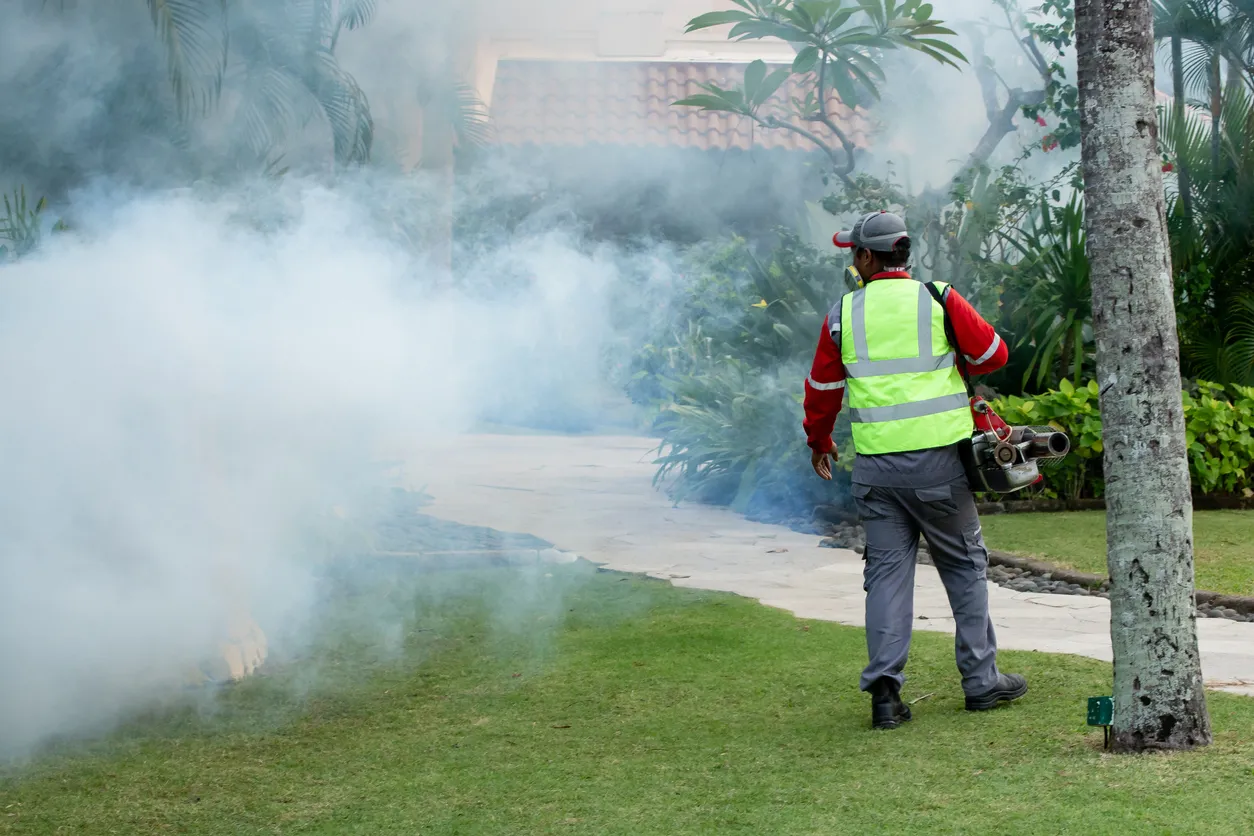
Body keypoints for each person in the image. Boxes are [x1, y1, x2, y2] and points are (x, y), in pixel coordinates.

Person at [802, 210, 1028, 730]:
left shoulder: (842, 314)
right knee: (964, 567)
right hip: (939, 467)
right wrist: (956, 359)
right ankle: (981, 682)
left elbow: (822, 390)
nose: (851, 260)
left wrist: (819, 442)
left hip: (876, 472)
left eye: (852, 252)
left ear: (866, 257)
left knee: (886, 576)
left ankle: (885, 696)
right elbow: (994, 353)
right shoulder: (938, 299)